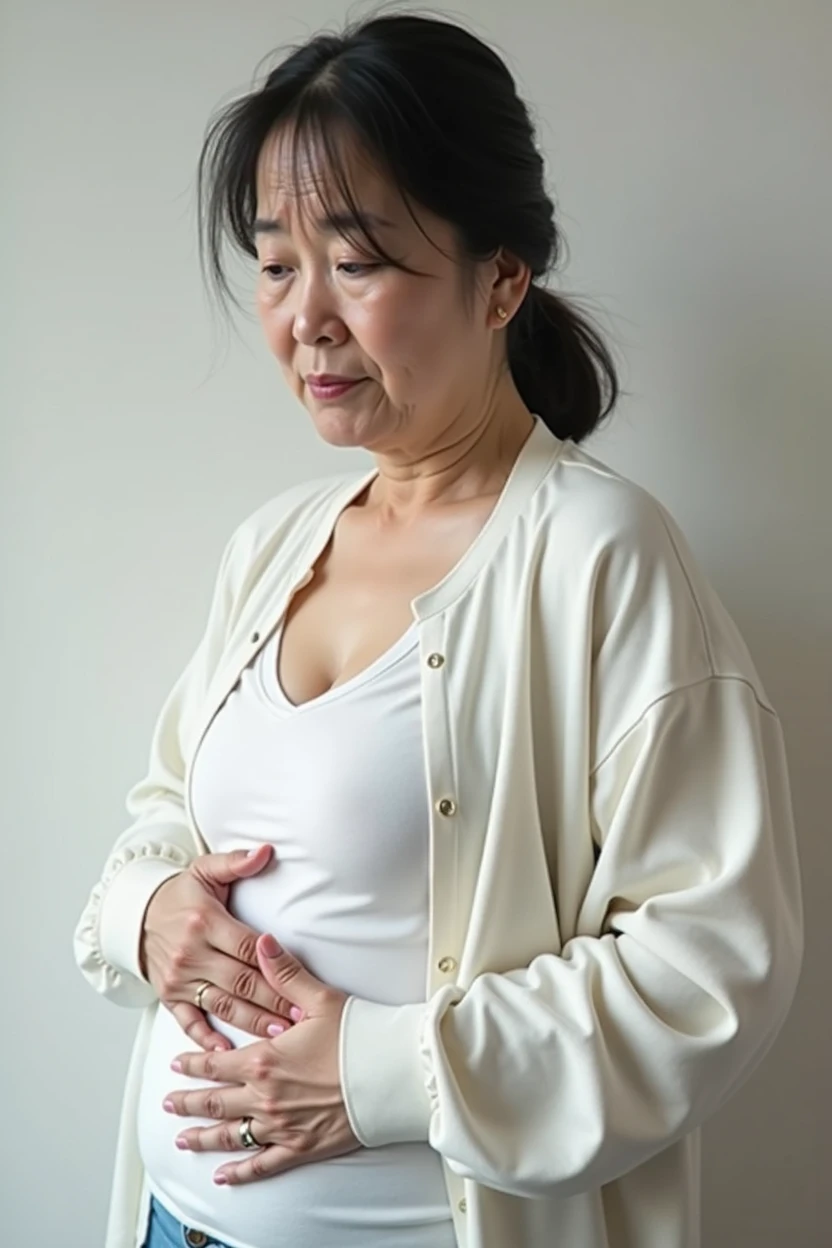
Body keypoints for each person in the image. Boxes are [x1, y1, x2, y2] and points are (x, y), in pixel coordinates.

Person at [74, 10, 804, 1248]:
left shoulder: (600, 559)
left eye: (355, 261)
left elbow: (708, 968)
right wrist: (147, 913)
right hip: (172, 1222)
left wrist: (374, 1074)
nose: (305, 317)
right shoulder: (271, 545)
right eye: (272, 262)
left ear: (501, 279)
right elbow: (167, 812)